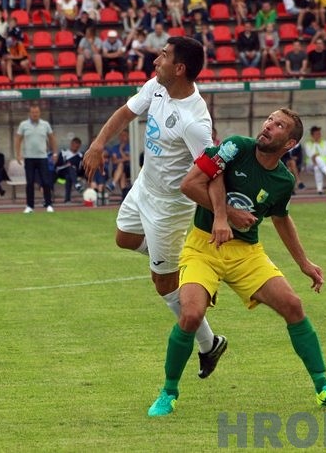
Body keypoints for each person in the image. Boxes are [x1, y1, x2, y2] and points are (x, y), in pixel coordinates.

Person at [146, 109, 326, 416]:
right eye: (269, 120)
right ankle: (168, 392)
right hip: (203, 245)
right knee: (191, 315)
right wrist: (227, 215)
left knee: (293, 305)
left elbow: (282, 219)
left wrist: (304, 263)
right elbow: (190, 185)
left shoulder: (284, 180)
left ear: (290, 143)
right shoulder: (236, 147)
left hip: (246, 253)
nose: (269, 126)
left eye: (279, 125)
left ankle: (324, 387)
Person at [82, 37, 227, 380]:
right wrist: (98, 144)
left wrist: (221, 215)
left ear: (179, 68)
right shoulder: (156, 87)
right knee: (123, 238)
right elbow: (125, 112)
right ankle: (176, 265)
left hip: (170, 210)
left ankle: (209, 344)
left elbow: (213, 169)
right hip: (144, 188)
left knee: (163, 285)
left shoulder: (194, 121)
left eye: (163, 55)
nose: (155, 60)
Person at [15, 104, 58, 214]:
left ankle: (48, 204)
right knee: (29, 182)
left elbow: (52, 138)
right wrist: (18, 154)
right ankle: (29, 206)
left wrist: (55, 153)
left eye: (37, 112)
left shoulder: (45, 124)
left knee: (46, 181)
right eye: (33, 112)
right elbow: (18, 139)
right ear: (30, 113)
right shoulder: (23, 125)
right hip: (29, 158)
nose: (35, 114)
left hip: (42, 157)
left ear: (39, 113)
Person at [303, 126, 326, 195]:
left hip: (323, 164)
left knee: (317, 167)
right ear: (312, 135)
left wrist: (317, 145)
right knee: (316, 158)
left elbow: (324, 153)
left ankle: (319, 190)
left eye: (319, 134)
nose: (318, 136)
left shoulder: (325, 143)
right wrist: (315, 144)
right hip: (310, 164)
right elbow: (310, 154)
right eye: (316, 134)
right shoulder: (307, 143)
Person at [55, 137, 84, 203]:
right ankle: (77, 185)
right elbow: (57, 166)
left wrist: (81, 176)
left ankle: (67, 199)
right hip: (61, 174)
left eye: (77, 146)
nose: (75, 147)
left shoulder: (80, 155)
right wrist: (67, 165)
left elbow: (82, 168)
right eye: (74, 145)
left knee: (69, 176)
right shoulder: (64, 152)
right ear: (71, 144)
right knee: (70, 167)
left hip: (73, 175)